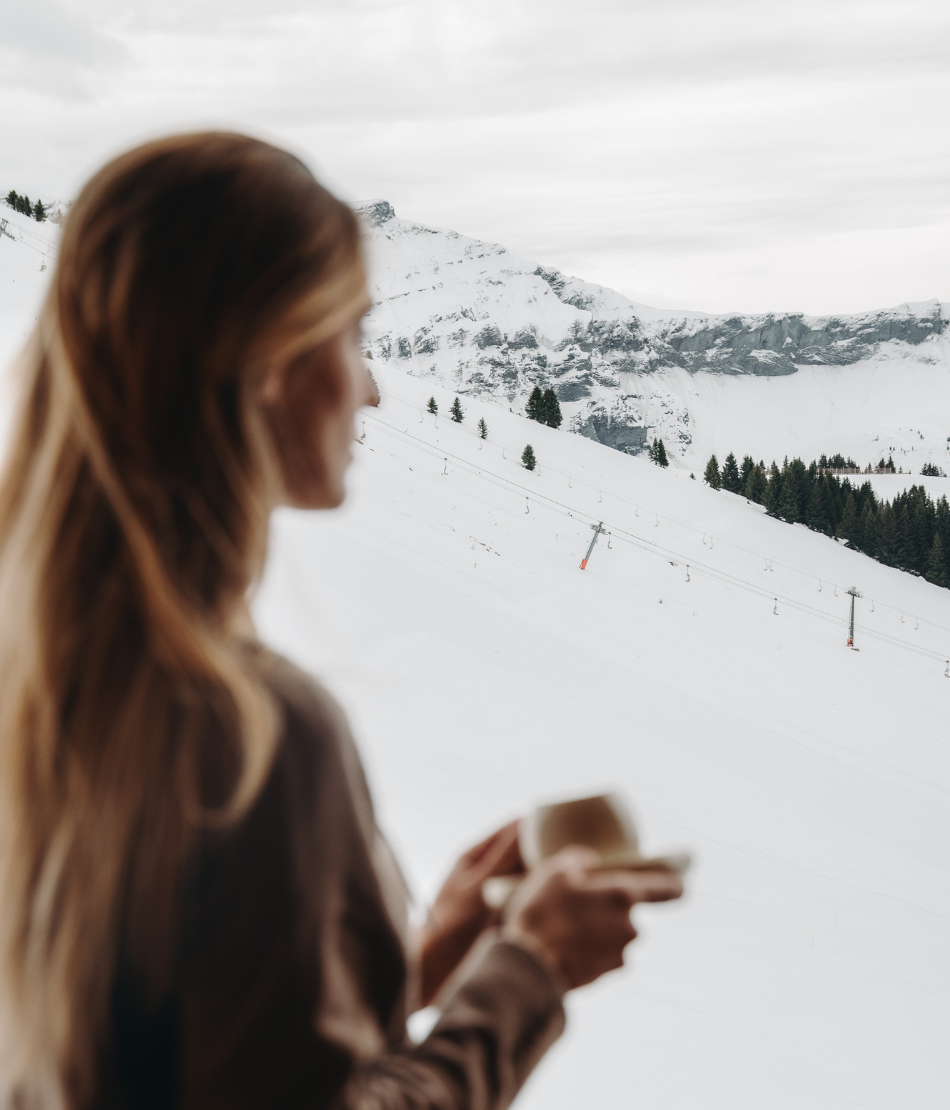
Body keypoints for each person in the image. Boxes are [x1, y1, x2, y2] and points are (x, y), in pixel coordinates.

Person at [0, 133, 683, 1110]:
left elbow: (188, 1060)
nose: (370, 388)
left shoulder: (46, 673)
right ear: (269, 363)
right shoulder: (254, 737)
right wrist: (526, 969)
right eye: (353, 336)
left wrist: (433, 946)